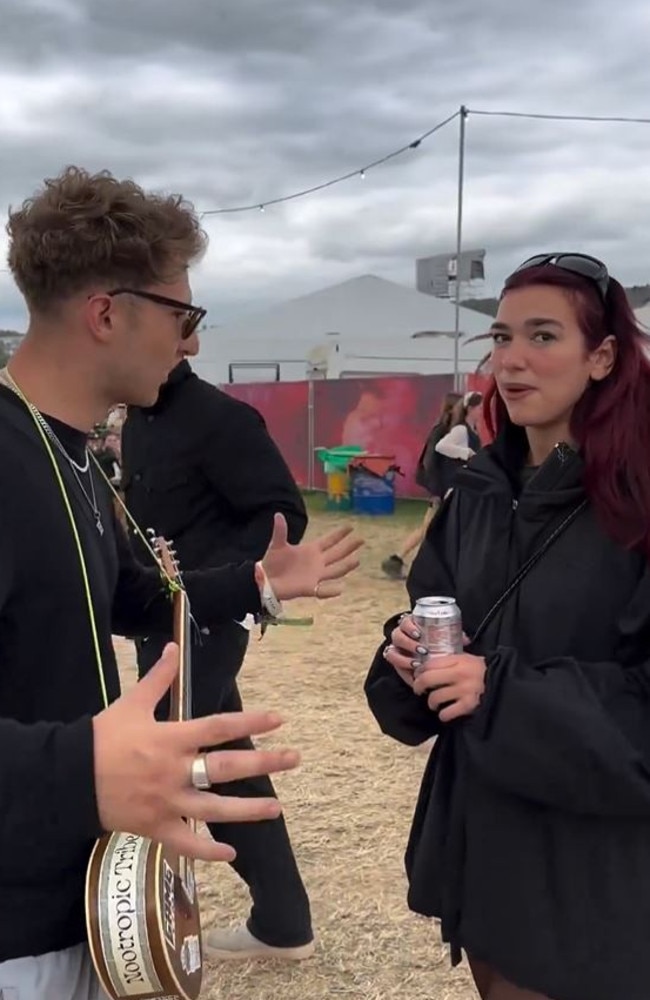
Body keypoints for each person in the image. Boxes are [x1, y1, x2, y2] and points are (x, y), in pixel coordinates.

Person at [0, 165, 361, 999]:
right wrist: (81, 768)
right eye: (182, 314)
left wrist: (258, 583)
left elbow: (133, 594)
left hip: (73, 893)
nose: (190, 341)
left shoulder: (74, 454)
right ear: (105, 313)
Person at [364, 252, 650, 1000]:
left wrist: (500, 693)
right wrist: (404, 660)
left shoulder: (639, 503)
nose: (512, 360)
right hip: (481, 851)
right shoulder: (478, 492)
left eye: (544, 336)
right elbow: (434, 623)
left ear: (603, 356)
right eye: (501, 337)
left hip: (596, 872)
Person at [121, 343, 315, 962]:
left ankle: (131, 927)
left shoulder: (222, 418)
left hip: (208, 620)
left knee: (155, 765)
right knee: (226, 759)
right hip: (158, 619)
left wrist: (217, 581)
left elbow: (283, 513)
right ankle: (284, 924)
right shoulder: (136, 422)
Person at [381, 391, 461, 580]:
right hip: (439, 490)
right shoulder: (441, 431)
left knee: (431, 529)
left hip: (445, 488)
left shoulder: (451, 431)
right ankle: (398, 559)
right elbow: (430, 462)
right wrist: (436, 490)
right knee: (429, 529)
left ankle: (397, 559)